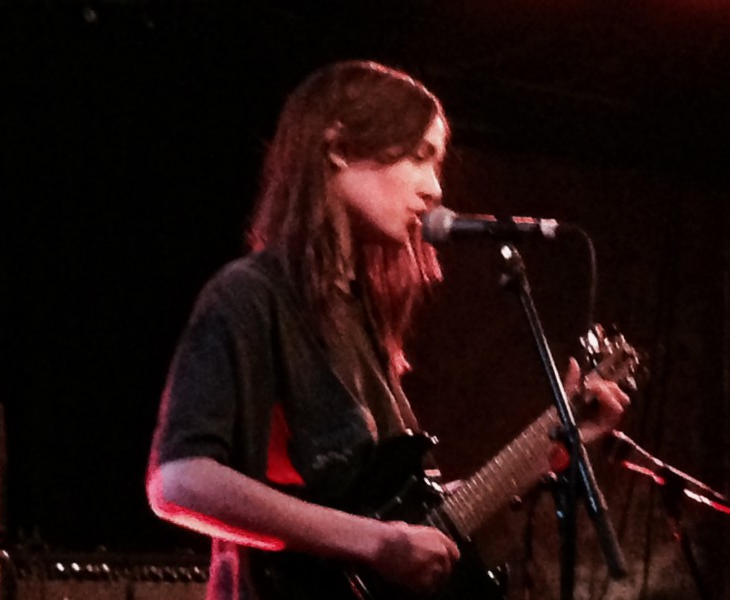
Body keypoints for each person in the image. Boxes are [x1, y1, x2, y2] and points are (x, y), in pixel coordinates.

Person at [146, 60, 629, 600]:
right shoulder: (250, 293)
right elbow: (179, 480)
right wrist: (374, 542)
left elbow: (392, 510)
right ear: (337, 147)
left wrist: (560, 437)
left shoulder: (362, 315)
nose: (434, 189)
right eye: (420, 157)